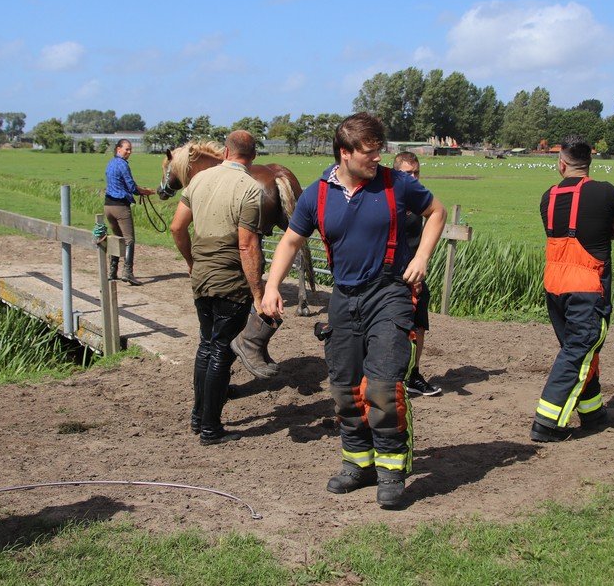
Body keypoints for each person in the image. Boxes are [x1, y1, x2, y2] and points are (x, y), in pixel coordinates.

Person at [261, 113, 444, 509]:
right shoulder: (317, 194)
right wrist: (272, 287)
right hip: (343, 298)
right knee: (344, 388)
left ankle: (392, 471)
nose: (376, 159)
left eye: (379, 151)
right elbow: (291, 241)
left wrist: (423, 257)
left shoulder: (399, 185)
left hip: (389, 292)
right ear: (344, 154)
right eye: (368, 153)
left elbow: (437, 213)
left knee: (382, 385)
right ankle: (358, 464)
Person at [532, 136, 614, 442]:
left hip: (554, 284)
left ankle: (592, 412)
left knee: (582, 348)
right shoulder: (605, 192)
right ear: (590, 162)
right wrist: (603, 234)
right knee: (580, 349)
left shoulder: (547, 197)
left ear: (561, 163)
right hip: (588, 285)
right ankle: (547, 422)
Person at [170, 130, 265, 445]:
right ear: (252, 157)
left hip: (201, 279)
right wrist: (258, 292)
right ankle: (211, 429)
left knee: (206, 344)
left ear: (226, 151)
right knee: (220, 350)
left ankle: (198, 418)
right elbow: (247, 246)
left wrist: (192, 261)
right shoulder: (250, 189)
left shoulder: (199, 180)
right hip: (229, 281)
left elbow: (177, 226)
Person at [392, 152, 442, 397]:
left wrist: (421, 265)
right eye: (406, 173)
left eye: (416, 172)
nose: (413, 177)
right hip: (390, 275)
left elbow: (436, 217)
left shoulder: (420, 200)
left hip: (415, 275)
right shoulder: (390, 200)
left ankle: (413, 374)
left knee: (419, 326)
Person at [104, 138, 155, 285]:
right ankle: (128, 272)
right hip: (120, 206)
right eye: (126, 149)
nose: (129, 152)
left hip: (108, 206)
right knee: (129, 240)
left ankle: (112, 271)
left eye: (130, 149)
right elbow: (132, 187)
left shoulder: (110, 163)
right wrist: (145, 191)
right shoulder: (122, 165)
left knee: (116, 238)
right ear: (118, 149)